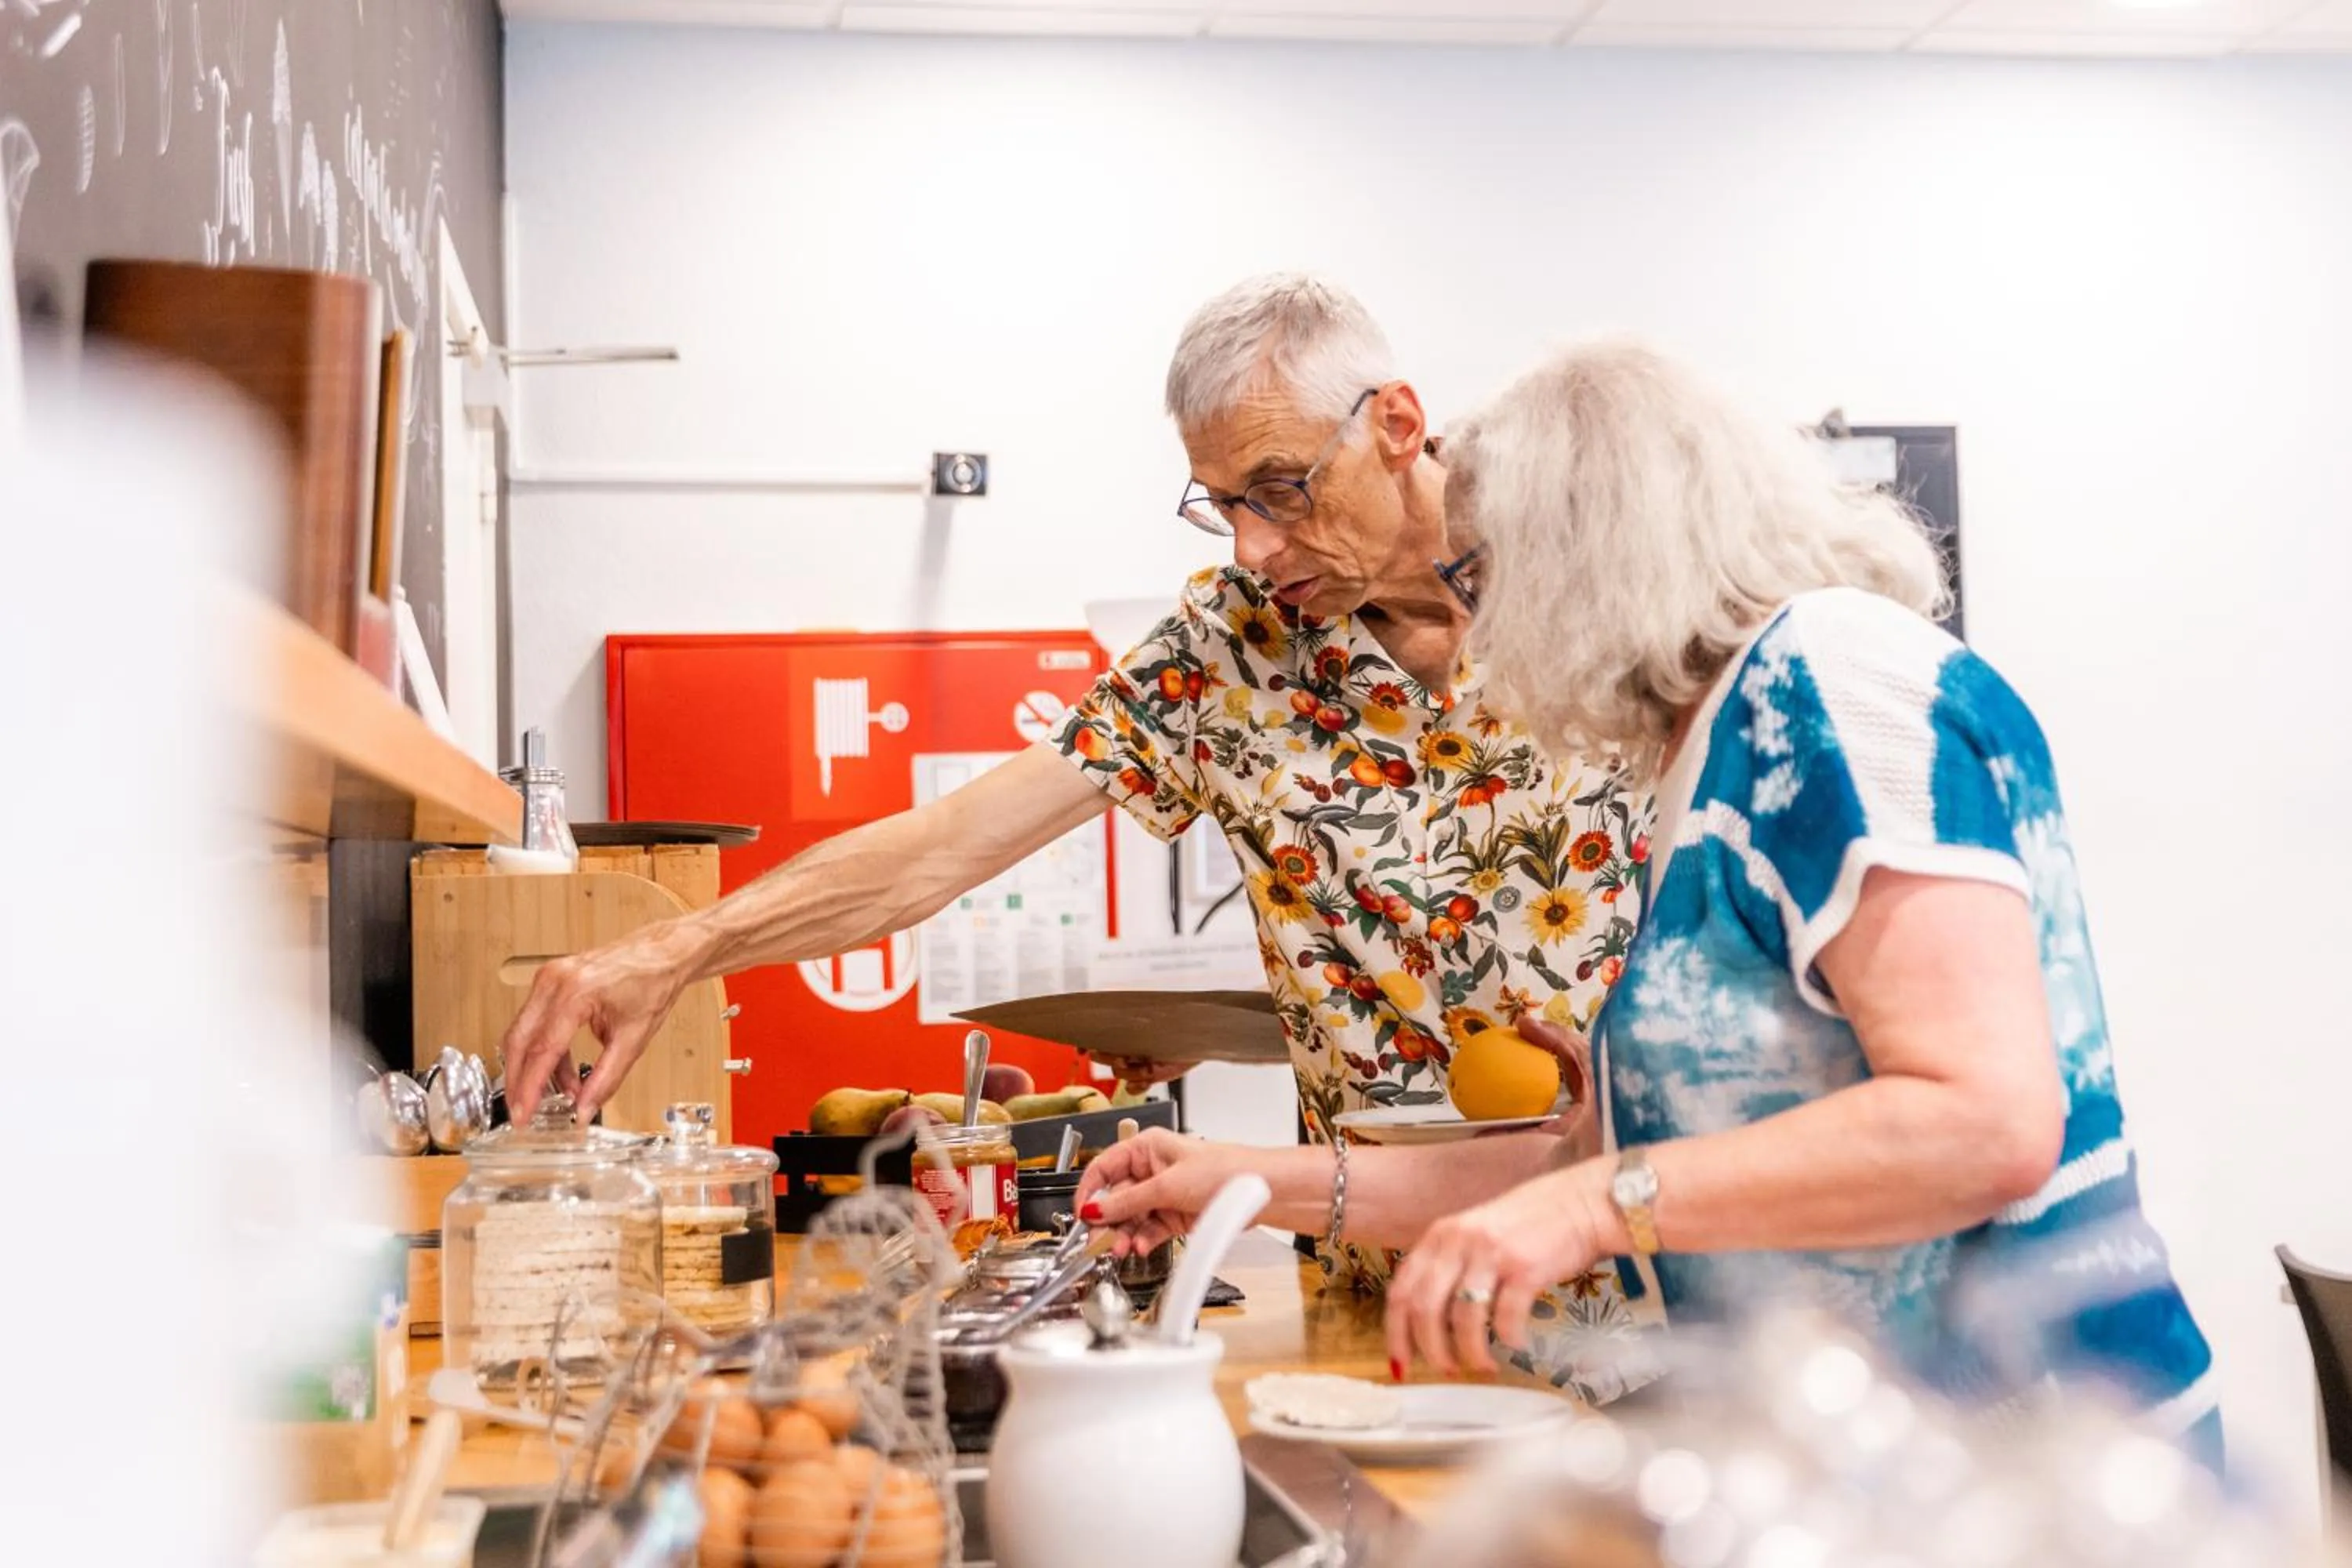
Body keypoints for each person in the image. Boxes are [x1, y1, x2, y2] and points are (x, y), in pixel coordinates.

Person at [499, 275, 1652, 1396]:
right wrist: (678, 948)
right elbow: (944, 846)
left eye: (1282, 489)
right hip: (1396, 1303)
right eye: (1223, 504)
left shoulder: (1613, 578)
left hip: (1662, 1279)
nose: (1253, 546)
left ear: (1397, 424)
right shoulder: (1229, 654)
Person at [1078, 339, 2219, 1461]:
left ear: (1595, 553)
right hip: (1851, 1468)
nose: (1479, 623)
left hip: (2034, 1470)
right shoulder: (1707, 751)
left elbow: (1986, 1122)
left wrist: (1591, 1209)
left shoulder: (1832, 680)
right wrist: (1245, 1184)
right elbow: (1590, 1165)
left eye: (1477, 574)